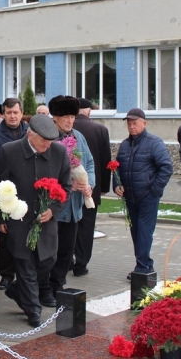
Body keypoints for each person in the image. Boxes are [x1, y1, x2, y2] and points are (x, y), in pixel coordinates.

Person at [0, 114, 71, 327]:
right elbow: (0, 185)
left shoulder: (59, 152)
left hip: (46, 223)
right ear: (30, 135)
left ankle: (17, 290)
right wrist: (1, 217)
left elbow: (66, 186)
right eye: (43, 141)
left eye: (50, 141)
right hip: (18, 220)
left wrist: (54, 210)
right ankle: (33, 310)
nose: (48, 145)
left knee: (47, 260)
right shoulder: (9, 151)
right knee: (25, 265)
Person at [42, 96, 94, 306]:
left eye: (72, 116)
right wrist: (67, 185)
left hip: (74, 208)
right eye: (65, 116)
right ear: (54, 117)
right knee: (50, 252)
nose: (70, 121)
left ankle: (58, 284)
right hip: (55, 207)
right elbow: (45, 170)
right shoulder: (48, 138)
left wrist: (88, 184)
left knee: (66, 250)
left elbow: (89, 163)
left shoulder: (79, 137)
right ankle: (45, 288)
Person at [114, 108, 173, 278]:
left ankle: (141, 268)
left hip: (147, 196)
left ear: (144, 123)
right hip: (130, 197)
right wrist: (116, 184)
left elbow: (166, 167)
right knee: (136, 231)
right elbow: (117, 167)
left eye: (135, 123)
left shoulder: (154, 143)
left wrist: (154, 190)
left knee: (144, 231)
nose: (132, 127)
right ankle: (145, 264)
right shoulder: (125, 145)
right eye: (129, 124)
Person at [0, 98, 28, 291]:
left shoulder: (30, 132)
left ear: (21, 113)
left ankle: (24, 274)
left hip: (26, 191)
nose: (12, 116)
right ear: (3, 114)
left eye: (16, 112)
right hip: (3, 192)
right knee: (5, 235)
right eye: (8, 113)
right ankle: (7, 275)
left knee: (25, 235)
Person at [72, 98, 111, 277]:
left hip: (71, 187)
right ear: (89, 112)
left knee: (70, 225)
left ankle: (67, 261)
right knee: (87, 227)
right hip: (91, 188)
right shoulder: (100, 129)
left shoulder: (68, 129)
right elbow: (105, 160)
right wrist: (103, 187)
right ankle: (81, 263)